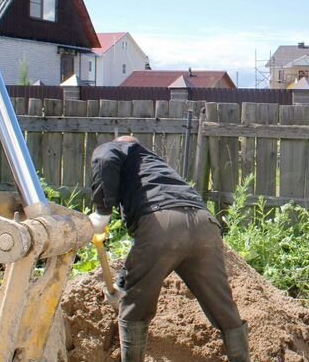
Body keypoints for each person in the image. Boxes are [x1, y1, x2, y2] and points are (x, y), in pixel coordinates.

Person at [88, 135, 249, 362]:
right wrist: (122, 282)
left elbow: (104, 158)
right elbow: (143, 253)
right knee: (223, 307)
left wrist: (102, 212)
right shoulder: (154, 165)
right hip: (205, 225)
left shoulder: (114, 149)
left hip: (162, 224)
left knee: (135, 307)